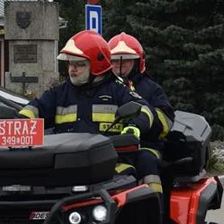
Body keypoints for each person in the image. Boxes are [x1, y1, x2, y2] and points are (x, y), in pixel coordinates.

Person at [20, 31, 160, 192]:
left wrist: (134, 127)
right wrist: (18, 124)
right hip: (65, 166)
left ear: (97, 66)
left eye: (80, 64)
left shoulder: (118, 91)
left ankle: (153, 214)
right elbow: (34, 109)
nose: (73, 69)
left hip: (111, 165)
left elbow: (144, 109)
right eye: (70, 64)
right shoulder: (59, 93)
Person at [108, 32, 176, 144]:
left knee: (147, 160)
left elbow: (166, 119)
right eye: (114, 60)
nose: (119, 64)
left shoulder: (151, 88)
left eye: (127, 60)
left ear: (137, 62)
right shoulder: (101, 87)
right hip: (105, 146)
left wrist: (139, 125)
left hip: (144, 144)